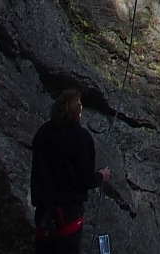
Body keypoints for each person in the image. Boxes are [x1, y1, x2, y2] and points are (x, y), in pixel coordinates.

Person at [31, 89, 110, 251]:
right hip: (68, 215)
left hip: (43, 212)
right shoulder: (81, 138)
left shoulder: (43, 132)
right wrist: (101, 176)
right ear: (77, 113)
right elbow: (85, 179)